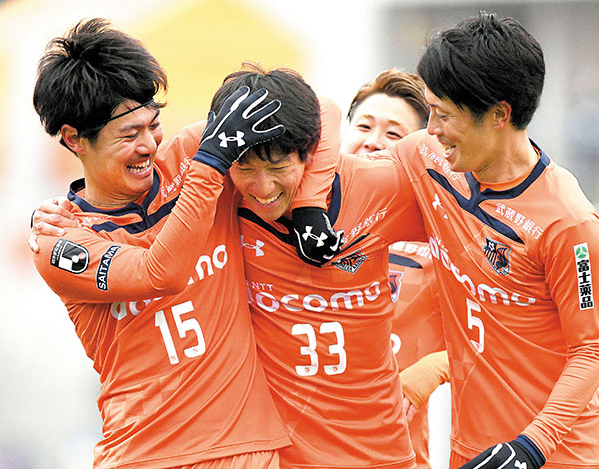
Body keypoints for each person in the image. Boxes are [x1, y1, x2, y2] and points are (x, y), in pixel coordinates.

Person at [32, 61, 427, 468]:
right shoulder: (58, 239)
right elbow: (159, 272)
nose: (148, 145)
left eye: (154, 125)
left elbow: (316, 109)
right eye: (129, 135)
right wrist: (211, 162)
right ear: (74, 139)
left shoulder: (190, 156)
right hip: (143, 454)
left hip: (247, 450)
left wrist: (308, 206)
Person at [385, 11, 599, 469]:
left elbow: (591, 350)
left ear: (500, 114)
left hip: (552, 455)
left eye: (444, 115)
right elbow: (344, 175)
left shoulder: (569, 223)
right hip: (469, 450)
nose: (432, 129)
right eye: (430, 111)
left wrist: (531, 448)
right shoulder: (426, 158)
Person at [341, 68, 450, 469]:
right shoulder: (299, 225)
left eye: (393, 133)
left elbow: (498, 336)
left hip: (395, 453)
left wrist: (430, 371)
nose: (373, 141)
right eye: (363, 126)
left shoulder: (443, 234)